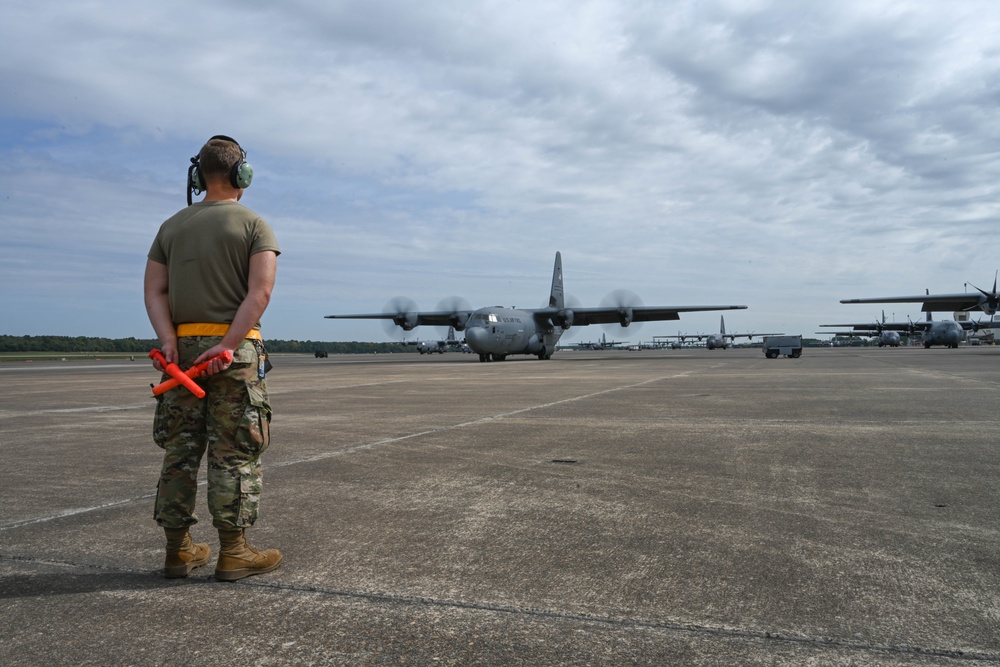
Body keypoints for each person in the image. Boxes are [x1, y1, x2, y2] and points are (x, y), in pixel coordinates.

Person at [144, 135, 282, 581]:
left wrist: (167, 340)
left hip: (180, 356)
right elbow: (258, 293)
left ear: (197, 175)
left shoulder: (171, 226)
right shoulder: (255, 224)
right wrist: (227, 344)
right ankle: (234, 552)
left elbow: (154, 290)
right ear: (243, 175)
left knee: (180, 452)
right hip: (233, 354)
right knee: (235, 453)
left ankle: (178, 550)